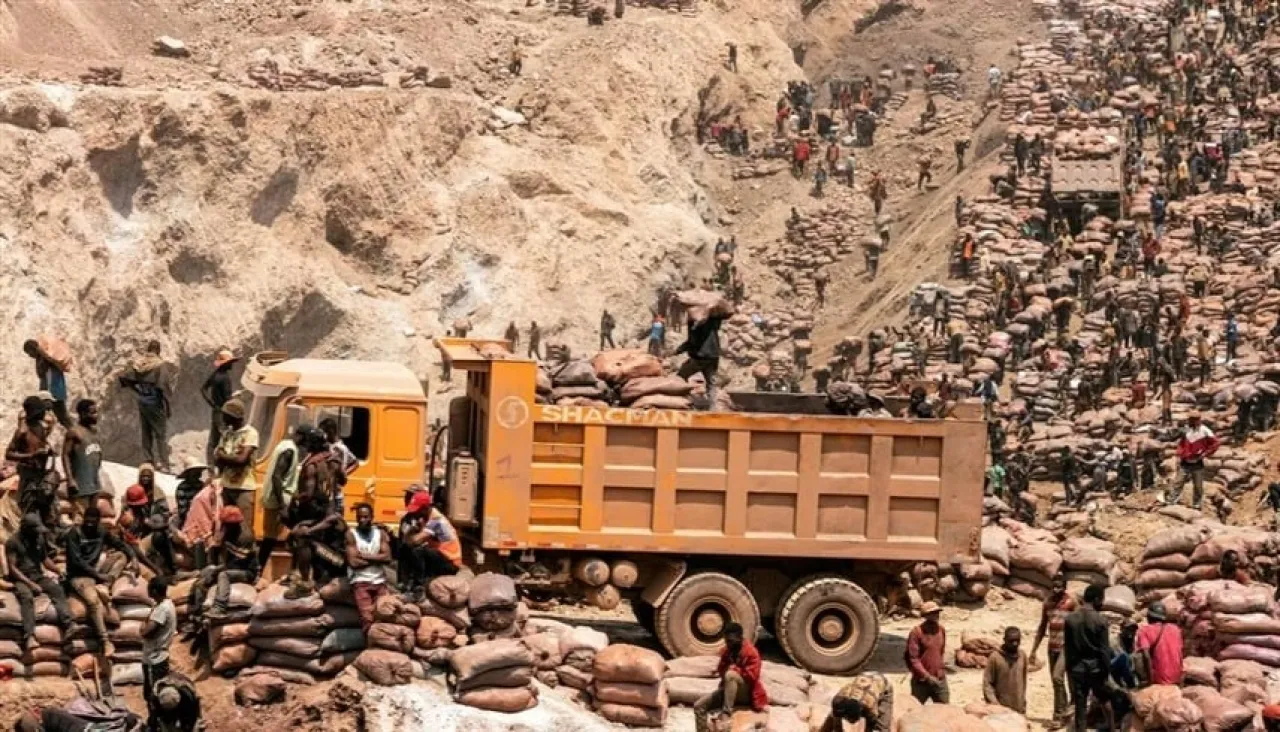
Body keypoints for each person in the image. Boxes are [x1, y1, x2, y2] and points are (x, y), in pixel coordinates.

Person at [64, 506, 136, 657]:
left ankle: (106, 586)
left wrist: (133, 557)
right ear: (84, 519)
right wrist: (97, 575)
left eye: (93, 520)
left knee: (121, 556)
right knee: (93, 602)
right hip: (79, 576)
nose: (90, 523)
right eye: (88, 520)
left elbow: (120, 544)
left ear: (98, 521)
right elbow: (76, 561)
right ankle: (105, 641)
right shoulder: (74, 533)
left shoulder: (102, 531)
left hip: (96, 572)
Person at [283, 428, 344, 598]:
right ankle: (312, 575)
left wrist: (295, 497)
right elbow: (343, 480)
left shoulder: (311, 465)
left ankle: (304, 582)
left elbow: (308, 494)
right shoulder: (334, 459)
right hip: (329, 512)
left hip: (322, 519)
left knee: (301, 537)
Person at [7, 514, 71, 650]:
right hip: (21, 578)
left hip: (37, 575)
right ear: (26, 529)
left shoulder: (39, 538)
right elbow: (12, 568)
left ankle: (68, 624)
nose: (38, 533)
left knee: (56, 589)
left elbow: (45, 559)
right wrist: (31, 584)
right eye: (35, 530)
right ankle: (29, 635)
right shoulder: (13, 542)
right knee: (26, 597)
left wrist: (58, 570)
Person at [693, 622, 767, 732]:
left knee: (731, 675)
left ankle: (727, 713)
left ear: (739, 639)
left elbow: (753, 677)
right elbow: (721, 671)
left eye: (731, 641)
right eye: (727, 641)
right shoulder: (728, 652)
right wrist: (726, 666)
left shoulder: (751, 652)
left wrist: (735, 669)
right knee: (699, 705)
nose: (728, 644)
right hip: (729, 690)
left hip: (746, 692)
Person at [259, 423, 310, 572]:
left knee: (271, 537)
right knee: (299, 533)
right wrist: (282, 506)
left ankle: (259, 569)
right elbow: (276, 477)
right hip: (280, 500)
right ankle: (294, 571)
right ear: (300, 436)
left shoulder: (284, 445)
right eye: (305, 440)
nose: (305, 445)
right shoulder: (289, 451)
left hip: (274, 498)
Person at [1064, 584, 1115, 732]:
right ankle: (1112, 728)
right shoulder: (1101, 621)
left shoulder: (1070, 619)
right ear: (1096, 599)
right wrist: (1106, 671)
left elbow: (1068, 648)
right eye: (1102, 600)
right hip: (1096, 669)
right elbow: (1104, 650)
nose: (1102, 603)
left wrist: (1070, 669)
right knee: (1104, 699)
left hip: (1077, 669)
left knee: (1080, 705)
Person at [195, 506, 259, 620]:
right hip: (231, 566)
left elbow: (237, 564)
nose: (223, 526)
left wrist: (217, 570)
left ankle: (220, 607)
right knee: (200, 582)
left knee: (223, 575)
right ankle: (196, 616)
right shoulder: (227, 532)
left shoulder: (245, 537)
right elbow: (220, 553)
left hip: (247, 571)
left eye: (226, 524)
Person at [119, 340, 173, 471]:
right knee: (160, 434)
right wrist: (168, 406)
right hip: (155, 402)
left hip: (142, 400)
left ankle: (148, 460)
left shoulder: (140, 363)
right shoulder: (159, 365)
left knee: (146, 432)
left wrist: (136, 390)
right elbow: (163, 387)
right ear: (158, 350)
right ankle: (164, 463)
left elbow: (124, 377)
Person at [1031, 574, 1076, 726]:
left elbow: (1079, 623)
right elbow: (1042, 627)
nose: (1056, 590)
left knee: (1058, 677)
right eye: (1054, 586)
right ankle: (1063, 713)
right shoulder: (1048, 603)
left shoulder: (1071, 603)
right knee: (1056, 682)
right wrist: (1034, 650)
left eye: (1059, 587)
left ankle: (1059, 715)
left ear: (1065, 588)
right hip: (1052, 647)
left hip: (1067, 647)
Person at [399, 491, 462, 595]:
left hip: (451, 562)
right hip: (440, 557)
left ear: (425, 508)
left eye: (418, 510)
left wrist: (409, 532)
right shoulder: (426, 519)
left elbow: (415, 541)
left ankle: (419, 585)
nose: (415, 513)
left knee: (417, 550)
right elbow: (407, 542)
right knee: (406, 549)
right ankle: (406, 582)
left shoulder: (436, 520)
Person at [214, 400, 259, 541]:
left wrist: (224, 457)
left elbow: (242, 460)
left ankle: (247, 560)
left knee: (244, 529)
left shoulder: (250, 433)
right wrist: (229, 458)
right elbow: (217, 458)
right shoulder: (227, 434)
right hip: (227, 486)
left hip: (244, 488)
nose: (223, 419)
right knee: (226, 525)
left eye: (225, 415)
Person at [7, 397, 55, 525]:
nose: (44, 413)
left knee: (47, 510)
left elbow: (41, 444)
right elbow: (9, 454)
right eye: (41, 410)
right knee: (28, 510)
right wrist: (31, 455)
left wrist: (48, 450)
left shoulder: (40, 427)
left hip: (41, 474)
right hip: (28, 476)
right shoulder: (22, 431)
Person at [346, 502, 392, 633]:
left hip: (380, 581)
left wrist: (364, 556)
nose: (362, 520)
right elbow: (353, 563)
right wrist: (377, 559)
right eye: (359, 517)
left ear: (372, 517)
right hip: (360, 582)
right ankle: (370, 647)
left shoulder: (380, 534)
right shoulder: (351, 534)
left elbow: (388, 557)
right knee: (368, 619)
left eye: (365, 517)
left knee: (385, 616)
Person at [141, 576, 177, 727]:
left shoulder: (162, 609)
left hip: (154, 658)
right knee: (159, 692)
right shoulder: (167, 604)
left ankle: (156, 724)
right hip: (161, 655)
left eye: (149, 588)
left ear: (155, 591)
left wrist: (142, 626)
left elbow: (146, 631)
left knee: (153, 695)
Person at [1168, 413, 1220, 509]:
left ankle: (1197, 504)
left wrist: (1205, 453)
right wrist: (1179, 455)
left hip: (1197, 463)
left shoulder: (1205, 431)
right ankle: (1171, 500)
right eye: (1190, 419)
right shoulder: (1186, 430)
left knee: (1198, 486)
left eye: (1193, 420)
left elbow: (1216, 443)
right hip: (1185, 461)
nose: (1190, 421)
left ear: (1198, 420)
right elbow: (1181, 444)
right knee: (1178, 482)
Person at [61, 399, 103, 516]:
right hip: (80, 486)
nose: (96, 415)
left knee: (93, 517)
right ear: (83, 414)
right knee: (80, 518)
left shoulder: (95, 432)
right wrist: (70, 479)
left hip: (94, 484)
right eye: (93, 412)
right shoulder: (74, 432)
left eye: (96, 412)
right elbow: (65, 455)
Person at [676, 311, 726, 407]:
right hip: (714, 356)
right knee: (711, 383)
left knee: (681, 376)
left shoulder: (693, 323)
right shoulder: (712, 320)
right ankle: (713, 408)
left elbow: (692, 341)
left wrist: (679, 350)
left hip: (700, 356)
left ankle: (686, 402)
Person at [905, 601, 948, 703]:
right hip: (921, 682)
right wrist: (926, 676)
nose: (936, 615)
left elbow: (940, 652)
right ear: (925, 615)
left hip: (939, 679)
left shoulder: (941, 630)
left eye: (937, 612)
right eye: (933, 613)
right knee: (916, 710)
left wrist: (939, 671)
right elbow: (913, 659)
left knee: (945, 710)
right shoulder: (916, 632)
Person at [23, 338, 70, 428]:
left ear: (33, 349)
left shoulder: (44, 358)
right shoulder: (43, 358)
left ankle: (76, 434)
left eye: (29, 352)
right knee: (62, 417)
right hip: (54, 391)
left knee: (46, 415)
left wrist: (40, 352)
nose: (29, 355)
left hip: (51, 392)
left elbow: (43, 369)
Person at [200, 349, 237, 466]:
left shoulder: (215, 375)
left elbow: (203, 389)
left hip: (216, 410)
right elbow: (227, 398)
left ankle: (211, 467)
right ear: (226, 363)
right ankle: (223, 466)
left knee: (213, 441)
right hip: (223, 412)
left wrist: (211, 403)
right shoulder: (225, 378)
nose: (232, 364)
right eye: (230, 362)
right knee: (227, 439)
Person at [1135, 601, 1183, 686]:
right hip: (1176, 677)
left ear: (1149, 616)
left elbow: (1146, 656)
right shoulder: (1176, 629)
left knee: (1136, 656)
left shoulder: (1144, 630)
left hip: (1159, 678)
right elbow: (1180, 653)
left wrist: (1150, 682)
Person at [983, 627, 1028, 713]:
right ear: (1004, 640)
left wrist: (1023, 703)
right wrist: (995, 705)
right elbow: (987, 684)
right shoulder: (995, 658)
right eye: (1011, 641)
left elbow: (1024, 681)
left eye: (1017, 640)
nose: (1015, 643)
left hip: (1018, 707)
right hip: (1000, 709)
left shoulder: (1022, 656)